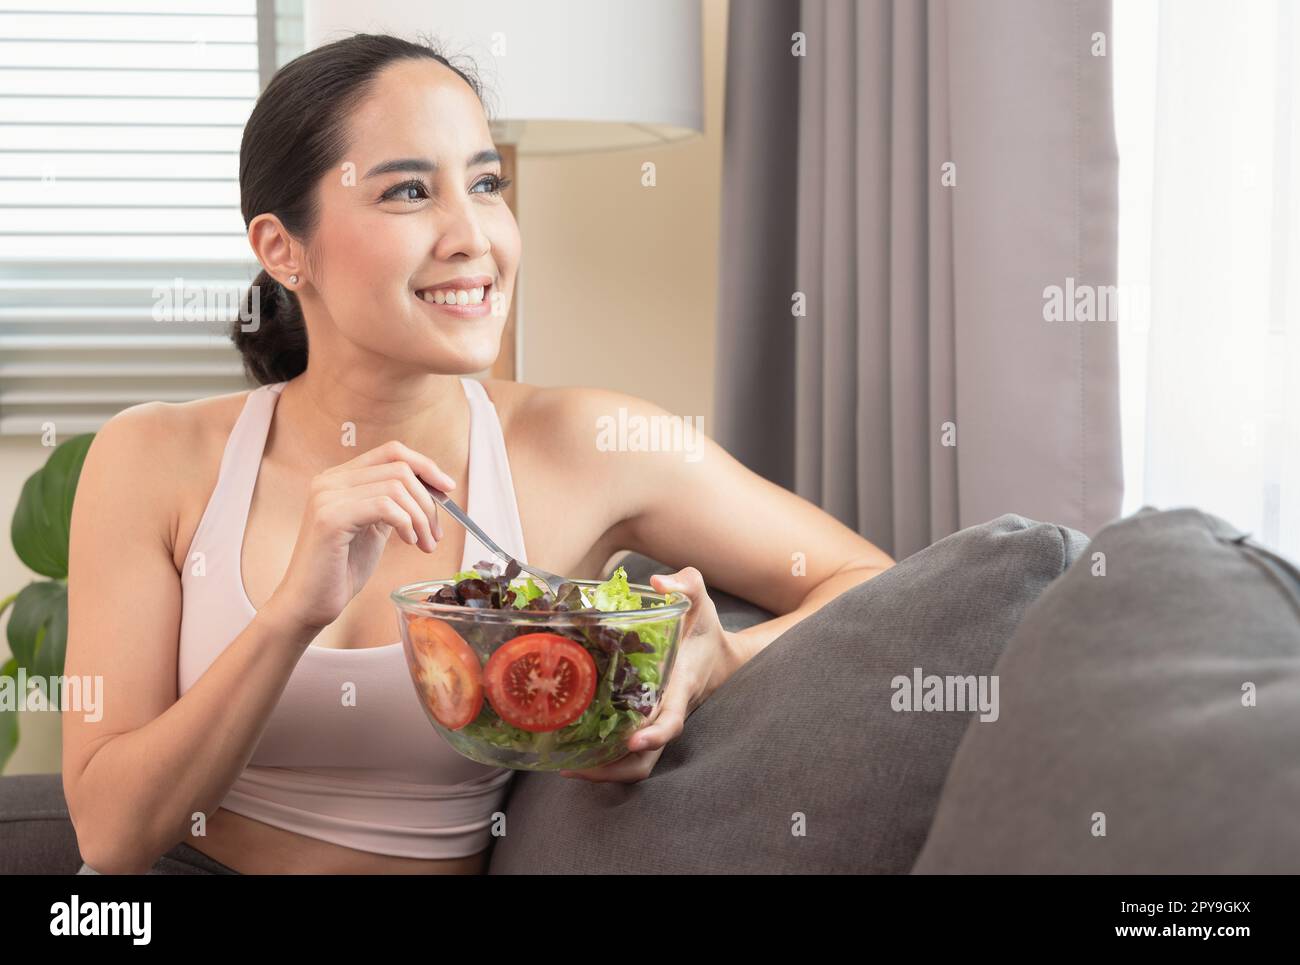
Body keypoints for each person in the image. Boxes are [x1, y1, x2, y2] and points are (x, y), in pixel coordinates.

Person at [61, 33, 895, 876]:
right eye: (410, 191)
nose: (471, 235)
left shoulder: (588, 446)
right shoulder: (151, 456)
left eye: (487, 183)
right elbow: (111, 834)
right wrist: (288, 616)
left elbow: (871, 582)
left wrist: (718, 660)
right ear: (283, 248)